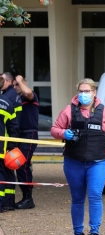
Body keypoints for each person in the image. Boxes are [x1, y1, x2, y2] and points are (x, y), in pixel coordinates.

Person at [51, 78, 105, 235]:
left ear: (94, 93)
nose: (83, 94)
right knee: (78, 198)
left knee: (95, 195)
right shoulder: (69, 111)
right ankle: (78, 231)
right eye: (81, 91)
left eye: (87, 91)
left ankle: (95, 231)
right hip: (73, 162)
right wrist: (63, 133)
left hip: (97, 162)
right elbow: (55, 129)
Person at [11, 75, 39, 210]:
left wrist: (20, 80)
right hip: (18, 135)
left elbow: (27, 92)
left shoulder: (30, 96)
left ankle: (28, 198)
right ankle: (25, 197)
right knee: (20, 165)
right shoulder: (16, 99)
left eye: (18, 84)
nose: (15, 87)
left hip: (29, 134)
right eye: (14, 85)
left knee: (22, 165)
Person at [0, 72, 21, 211]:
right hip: (2, 149)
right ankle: (4, 204)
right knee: (2, 177)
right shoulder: (6, 103)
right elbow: (14, 127)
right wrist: (12, 146)